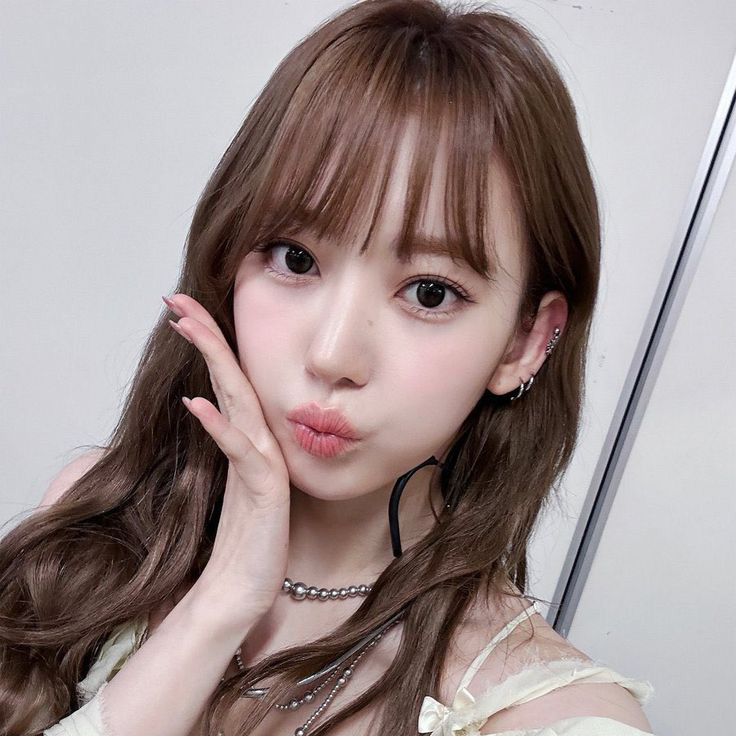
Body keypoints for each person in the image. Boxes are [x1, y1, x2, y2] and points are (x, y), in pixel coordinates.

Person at [1, 1, 656, 734]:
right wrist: (221, 602)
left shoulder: (553, 717)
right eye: (296, 258)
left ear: (524, 343)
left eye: (429, 293)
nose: (333, 354)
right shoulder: (96, 533)